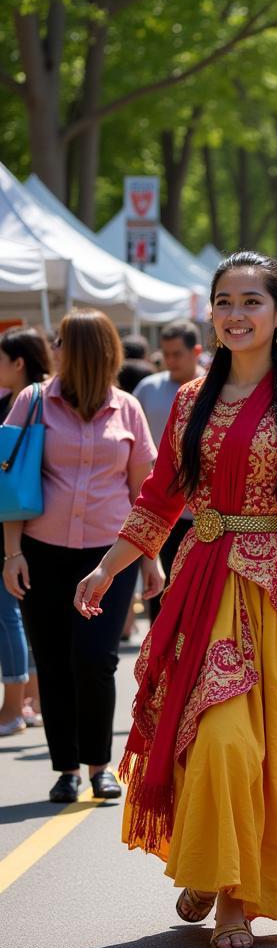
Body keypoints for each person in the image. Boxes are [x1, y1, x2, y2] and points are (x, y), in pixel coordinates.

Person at [72, 251, 277, 948]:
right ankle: (211, 862)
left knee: (256, 753)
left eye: (252, 302)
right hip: (201, 582)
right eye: (224, 302)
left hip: (275, 592)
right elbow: (161, 496)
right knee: (206, 740)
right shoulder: (190, 400)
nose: (236, 314)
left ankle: (235, 899)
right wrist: (108, 570)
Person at [2, 310, 161, 803]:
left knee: (95, 660)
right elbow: (10, 481)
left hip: (109, 555)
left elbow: (146, 491)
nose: (52, 348)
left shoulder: (128, 409)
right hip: (42, 552)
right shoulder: (31, 402)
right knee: (52, 661)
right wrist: (12, 554)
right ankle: (67, 768)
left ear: (87, 350)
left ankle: (99, 764)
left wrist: (150, 557)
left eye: (60, 341)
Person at [133, 319, 204, 620]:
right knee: (161, 599)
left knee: (200, 601)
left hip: (206, 514)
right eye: (166, 354)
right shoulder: (148, 390)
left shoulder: (216, 388)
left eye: (177, 354)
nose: (170, 361)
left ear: (196, 351)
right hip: (161, 510)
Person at [0, 327, 51, 735]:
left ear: (19, 362)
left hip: (18, 521)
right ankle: (30, 699)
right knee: (22, 614)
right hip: (31, 519)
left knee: (9, 614)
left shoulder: (30, 404)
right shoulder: (42, 401)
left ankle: (15, 705)